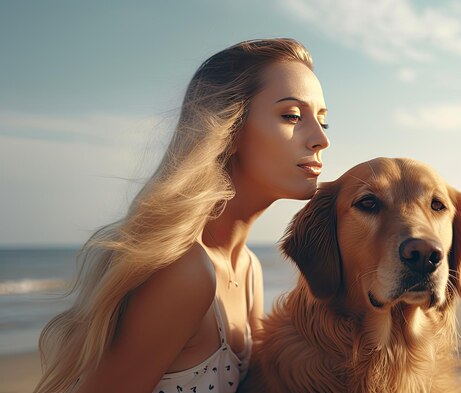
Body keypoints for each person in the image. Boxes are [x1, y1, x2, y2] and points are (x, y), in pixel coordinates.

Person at [34, 38, 330, 393]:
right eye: (292, 116)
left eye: (323, 121)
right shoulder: (185, 271)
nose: (319, 139)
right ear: (230, 130)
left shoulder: (247, 268)